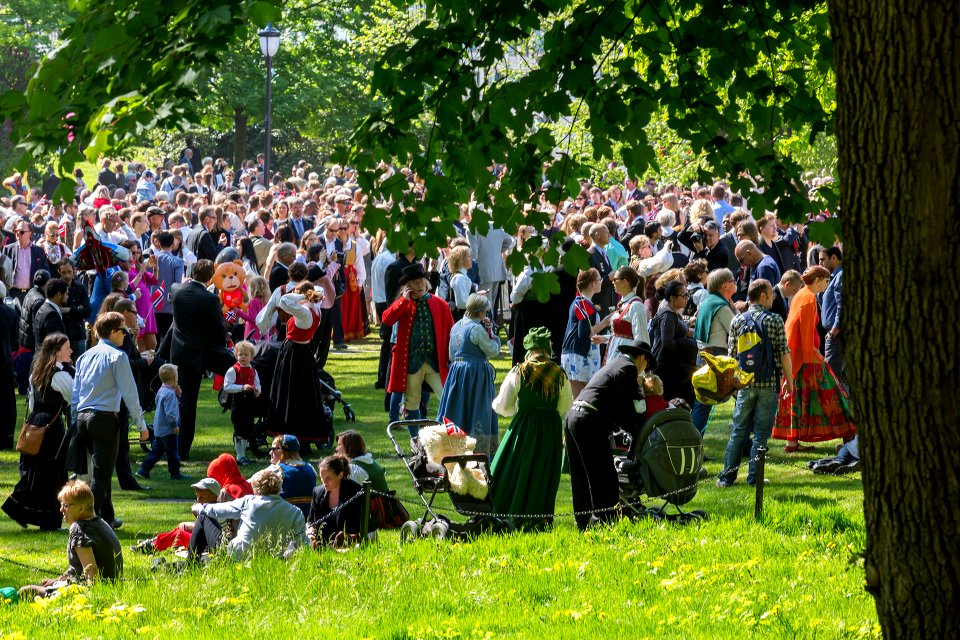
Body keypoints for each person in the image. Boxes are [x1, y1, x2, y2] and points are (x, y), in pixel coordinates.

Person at [564, 339, 656, 530]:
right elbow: (627, 408)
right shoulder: (628, 368)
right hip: (589, 420)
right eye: (646, 364)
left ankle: (584, 522)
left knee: (581, 475)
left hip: (574, 416)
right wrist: (637, 433)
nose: (644, 369)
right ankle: (605, 521)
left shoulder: (615, 364)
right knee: (603, 474)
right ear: (641, 357)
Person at [71, 312, 149, 529]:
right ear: (113, 332)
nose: (126, 335)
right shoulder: (118, 356)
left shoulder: (84, 356)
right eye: (123, 331)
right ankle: (87, 520)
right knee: (101, 475)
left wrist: (75, 420)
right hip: (104, 419)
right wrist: (142, 425)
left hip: (83, 418)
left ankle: (108, 516)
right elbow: (130, 393)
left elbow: (75, 394)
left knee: (100, 470)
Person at [491, 327, 573, 529]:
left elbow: (503, 405)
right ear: (547, 349)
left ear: (529, 348)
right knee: (543, 471)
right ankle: (538, 519)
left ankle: (508, 512)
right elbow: (565, 406)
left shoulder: (519, 371)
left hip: (525, 426)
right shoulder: (560, 374)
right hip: (550, 429)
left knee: (515, 466)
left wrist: (515, 409)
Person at [717, 279, 794, 487]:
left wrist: (735, 384)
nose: (773, 297)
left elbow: (732, 356)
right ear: (762, 296)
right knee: (760, 434)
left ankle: (726, 478)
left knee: (738, 431)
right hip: (768, 384)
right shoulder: (775, 320)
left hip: (745, 385)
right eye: (771, 294)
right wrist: (789, 380)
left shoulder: (737, 320)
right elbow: (783, 353)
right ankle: (754, 478)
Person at [773, 266, 856, 451]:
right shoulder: (809, 299)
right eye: (826, 281)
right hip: (807, 359)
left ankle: (792, 442)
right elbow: (806, 336)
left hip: (797, 357)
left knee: (799, 399)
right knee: (834, 395)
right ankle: (850, 437)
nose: (827, 285)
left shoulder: (801, 295)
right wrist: (817, 357)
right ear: (817, 280)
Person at [161, 259, 235, 459]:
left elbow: (177, 287)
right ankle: (182, 449)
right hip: (200, 353)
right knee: (188, 403)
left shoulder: (177, 290)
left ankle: (179, 448)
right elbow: (218, 330)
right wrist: (225, 337)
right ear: (211, 276)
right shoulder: (210, 299)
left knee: (184, 401)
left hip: (179, 353)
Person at [2, 333, 73, 530]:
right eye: (67, 349)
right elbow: (74, 397)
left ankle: (21, 510)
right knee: (53, 473)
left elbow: (32, 402)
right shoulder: (59, 374)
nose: (71, 351)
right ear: (57, 352)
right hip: (51, 426)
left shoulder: (37, 372)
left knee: (35, 472)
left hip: (36, 421)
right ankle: (47, 520)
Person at [17, 480, 122, 599]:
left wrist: (94, 599)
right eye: (61, 504)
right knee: (41, 587)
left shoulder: (79, 529)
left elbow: (91, 569)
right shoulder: (101, 523)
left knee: (26, 591)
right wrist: (56, 581)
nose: (61, 509)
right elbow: (78, 568)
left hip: (88, 590)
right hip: (112, 588)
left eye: (66, 505)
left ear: (81, 507)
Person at [382, 263, 455, 431]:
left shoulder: (440, 304)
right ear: (408, 287)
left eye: (422, 281)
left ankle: (448, 432)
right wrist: (402, 301)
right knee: (412, 401)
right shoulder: (403, 304)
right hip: (411, 363)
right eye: (415, 283)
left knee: (447, 396)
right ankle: (415, 440)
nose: (420, 285)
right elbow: (386, 320)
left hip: (436, 362)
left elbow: (452, 331)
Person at [186, 469, 307, 562]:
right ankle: (195, 563)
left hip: (235, 557)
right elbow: (302, 544)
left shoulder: (249, 502)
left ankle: (191, 563)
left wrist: (199, 508)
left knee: (203, 515)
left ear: (256, 488)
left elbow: (218, 510)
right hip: (270, 560)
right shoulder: (295, 512)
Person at [434, 294, 501, 453]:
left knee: (458, 408)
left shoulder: (456, 326)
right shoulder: (476, 329)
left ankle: (452, 448)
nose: (486, 315)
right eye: (485, 312)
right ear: (480, 312)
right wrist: (493, 335)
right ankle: (479, 452)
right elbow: (492, 350)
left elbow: (451, 354)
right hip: (475, 373)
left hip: (457, 372)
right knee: (478, 410)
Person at [269, 283, 332, 444]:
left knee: (290, 392)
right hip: (304, 353)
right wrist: (305, 296)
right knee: (303, 393)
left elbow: (284, 300)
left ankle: (289, 430)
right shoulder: (315, 309)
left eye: (296, 293)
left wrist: (302, 296)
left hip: (294, 353)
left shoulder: (305, 312)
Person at [690, 268, 737, 433]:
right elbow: (738, 329)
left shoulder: (710, 301)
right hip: (718, 357)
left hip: (705, 356)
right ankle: (744, 441)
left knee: (704, 402)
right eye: (733, 280)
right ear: (725, 285)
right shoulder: (720, 305)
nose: (735, 282)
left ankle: (744, 442)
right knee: (705, 403)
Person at [130, 478, 223, 554]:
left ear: (213, 497)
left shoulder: (216, 510)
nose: (198, 500)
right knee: (182, 528)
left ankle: (153, 547)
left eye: (202, 497)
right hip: (204, 540)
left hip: (207, 545)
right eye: (197, 497)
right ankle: (154, 541)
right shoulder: (206, 507)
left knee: (180, 534)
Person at [561, 268, 613, 398]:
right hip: (580, 356)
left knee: (578, 398)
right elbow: (584, 333)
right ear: (592, 283)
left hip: (574, 354)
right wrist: (605, 322)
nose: (601, 282)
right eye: (599, 279)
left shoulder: (581, 302)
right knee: (586, 398)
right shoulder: (583, 304)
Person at [135, 364, 189, 480]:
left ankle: (143, 469)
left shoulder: (162, 390)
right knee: (173, 453)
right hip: (168, 429)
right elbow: (170, 413)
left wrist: (177, 395)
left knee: (156, 452)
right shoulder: (169, 394)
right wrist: (174, 425)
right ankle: (175, 473)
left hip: (159, 428)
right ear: (174, 378)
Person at [649, 279, 698, 404]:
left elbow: (678, 330)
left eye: (687, 294)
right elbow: (667, 342)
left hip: (672, 367)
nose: (687, 298)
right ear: (672, 298)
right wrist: (688, 346)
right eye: (684, 295)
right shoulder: (668, 315)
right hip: (666, 369)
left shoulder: (673, 313)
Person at [306, 455, 365, 547]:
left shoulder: (355, 492)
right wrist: (310, 533)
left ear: (340, 475)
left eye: (328, 478)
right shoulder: (317, 492)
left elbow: (365, 530)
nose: (324, 482)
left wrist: (350, 538)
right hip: (321, 549)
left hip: (349, 550)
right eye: (322, 478)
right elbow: (310, 522)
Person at [222, 340, 261, 464]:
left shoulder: (253, 370)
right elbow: (227, 386)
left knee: (247, 428)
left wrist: (257, 390)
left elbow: (258, 384)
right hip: (238, 402)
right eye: (240, 355)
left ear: (251, 356)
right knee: (239, 428)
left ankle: (243, 455)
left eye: (246, 355)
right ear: (236, 355)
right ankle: (239, 456)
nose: (243, 357)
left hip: (249, 403)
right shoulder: (233, 370)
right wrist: (241, 387)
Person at [266, 434, 317, 517]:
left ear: (283, 450)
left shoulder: (275, 470)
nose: (270, 452)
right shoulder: (310, 468)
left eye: (273, 449)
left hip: (286, 518)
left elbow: (252, 484)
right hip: (310, 518)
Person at [605, 266, 649, 362]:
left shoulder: (636, 306)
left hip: (626, 360)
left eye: (615, 279)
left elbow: (641, 339)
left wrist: (640, 370)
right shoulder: (624, 303)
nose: (612, 282)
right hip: (615, 357)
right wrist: (604, 339)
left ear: (625, 282)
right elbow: (621, 336)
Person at [3, 218, 49, 304]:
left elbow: (45, 272)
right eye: (16, 231)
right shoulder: (8, 249)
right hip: (13, 293)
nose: (17, 234)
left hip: (32, 294)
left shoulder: (39, 251)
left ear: (30, 233)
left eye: (21, 232)